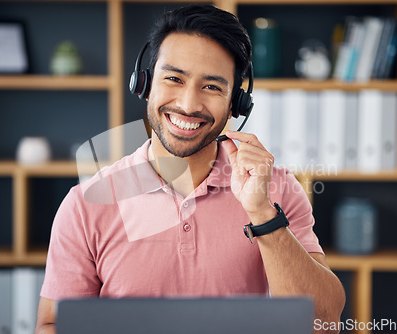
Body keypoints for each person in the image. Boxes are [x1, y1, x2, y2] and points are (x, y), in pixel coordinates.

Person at [35, 4, 345, 333]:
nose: (188, 104)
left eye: (212, 87)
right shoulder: (85, 204)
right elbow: (53, 326)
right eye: (174, 79)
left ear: (236, 104)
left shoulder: (277, 190)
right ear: (144, 83)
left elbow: (323, 323)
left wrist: (263, 214)